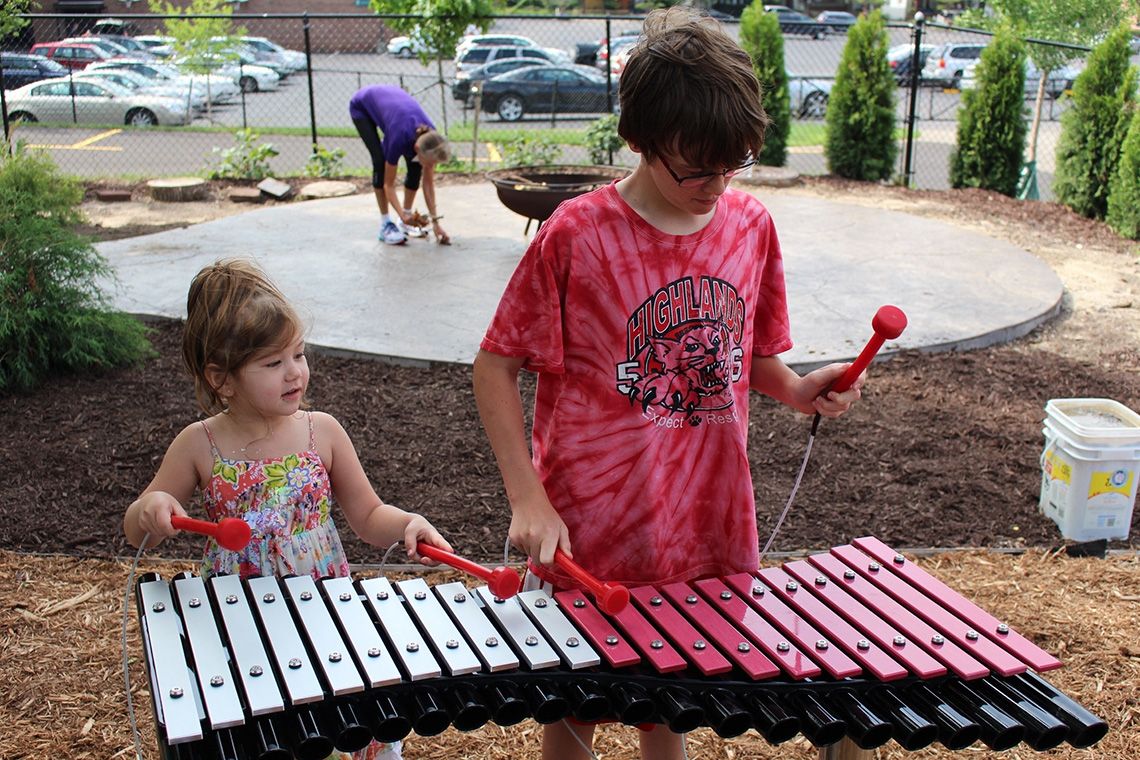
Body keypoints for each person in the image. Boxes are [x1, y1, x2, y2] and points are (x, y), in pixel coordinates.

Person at [471, 8, 865, 759]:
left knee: (672, 697)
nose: (715, 184)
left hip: (705, 518)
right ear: (641, 139)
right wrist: (527, 495)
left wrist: (799, 388)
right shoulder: (577, 236)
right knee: (574, 698)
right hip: (594, 523)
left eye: (734, 163)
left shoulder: (750, 225)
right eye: (695, 166)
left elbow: (748, 362)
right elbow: (495, 364)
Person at [123, 257, 452, 760]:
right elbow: (137, 524)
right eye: (273, 364)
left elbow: (367, 515)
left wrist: (407, 523)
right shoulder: (200, 444)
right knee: (263, 726)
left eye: (298, 354)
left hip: (322, 608)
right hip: (240, 617)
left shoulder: (323, 431)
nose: (295, 372)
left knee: (333, 715)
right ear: (222, 379)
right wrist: (153, 507)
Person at [349, 84, 451, 246]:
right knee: (380, 162)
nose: (431, 167)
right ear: (418, 148)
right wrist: (402, 215)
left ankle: (405, 220)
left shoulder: (431, 138)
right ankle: (386, 224)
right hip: (363, 105)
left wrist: (436, 222)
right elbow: (388, 185)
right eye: (430, 163)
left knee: (415, 167)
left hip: (394, 106)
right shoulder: (398, 138)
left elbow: (428, 185)